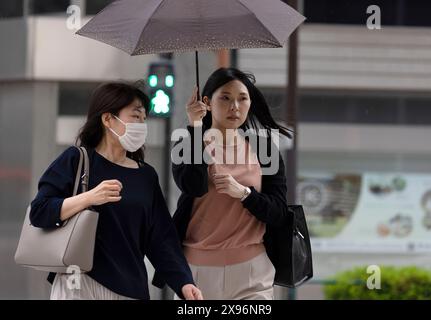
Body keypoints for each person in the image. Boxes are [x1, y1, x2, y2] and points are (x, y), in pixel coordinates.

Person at [29, 82, 203, 300]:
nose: (141, 124)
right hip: (78, 282)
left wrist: (184, 282)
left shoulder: (146, 175)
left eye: (143, 118)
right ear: (108, 119)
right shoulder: (77, 160)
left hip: (130, 288)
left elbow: (161, 238)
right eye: (135, 116)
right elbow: (39, 211)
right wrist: (89, 197)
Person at [152, 68, 292, 300]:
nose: (234, 107)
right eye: (225, 98)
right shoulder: (186, 145)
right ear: (206, 102)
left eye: (242, 98)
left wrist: (244, 194)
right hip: (196, 274)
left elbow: (278, 212)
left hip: (252, 272)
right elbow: (192, 186)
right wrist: (196, 127)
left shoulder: (264, 149)